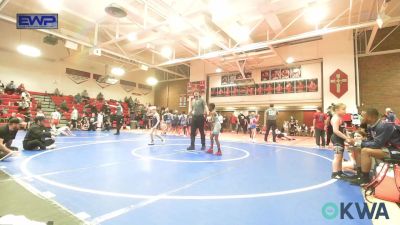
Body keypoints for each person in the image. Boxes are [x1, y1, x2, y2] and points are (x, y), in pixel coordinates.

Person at [350, 108, 400, 185]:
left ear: (371, 117)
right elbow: (370, 141)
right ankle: (359, 174)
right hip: (386, 148)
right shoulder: (371, 126)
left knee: (365, 151)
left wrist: (360, 143)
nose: (362, 118)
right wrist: (357, 143)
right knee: (357, 148)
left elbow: (377, 144)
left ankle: (365, 179)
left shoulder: (383, 125)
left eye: (364, 116)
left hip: (396, 150)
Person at [330, 103, 354, 179]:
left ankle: (340, 172)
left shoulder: (340, 118)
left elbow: (343, 130)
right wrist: (346, 138)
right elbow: (336, 131)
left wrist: (348, 137)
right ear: (337, 110)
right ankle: (334, 173)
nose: (345, 111)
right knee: (337, 157)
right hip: (336, 139)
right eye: (343, 109)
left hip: (340, 139)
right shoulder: (336, 118)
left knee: (340, 157)